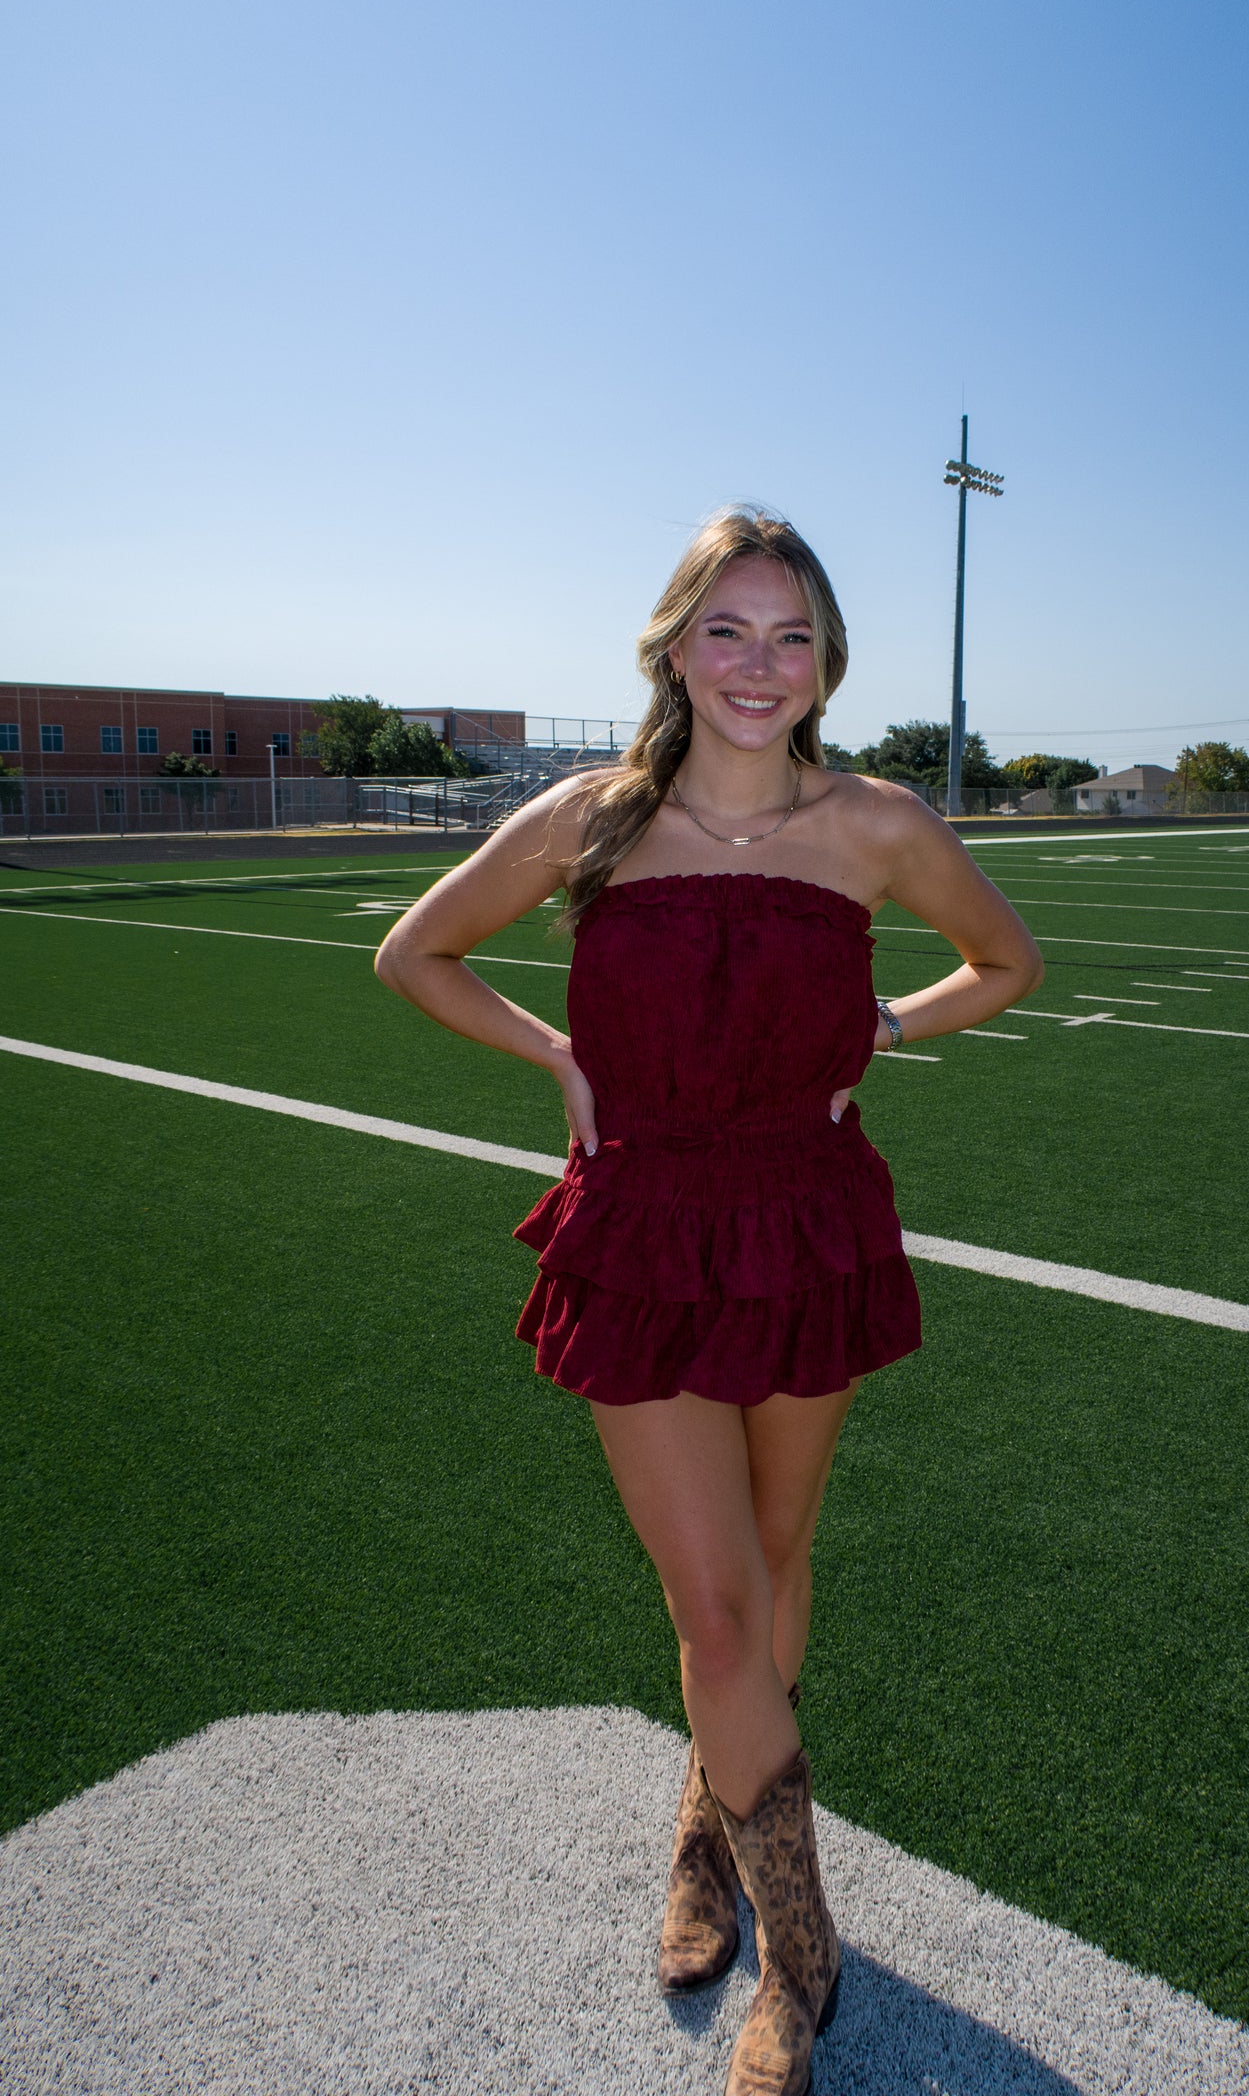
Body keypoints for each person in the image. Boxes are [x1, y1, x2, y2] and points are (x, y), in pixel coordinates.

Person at [375, 506, 1043, 2096]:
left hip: (806, 1221)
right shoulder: (591, 820)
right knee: (718, 1607)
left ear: (826, 662)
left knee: (778, 1559)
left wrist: (877, 1026)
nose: (758, 664)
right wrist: (557, 1055)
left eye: (790, 634)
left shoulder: (875, 823)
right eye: (727, 630)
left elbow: (1004, 962)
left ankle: (703, 1831)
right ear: (674, 645)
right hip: (645, 1228)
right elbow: (416, 954)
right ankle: (796, 1965)